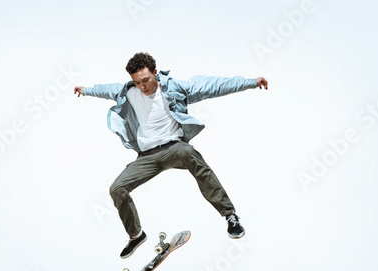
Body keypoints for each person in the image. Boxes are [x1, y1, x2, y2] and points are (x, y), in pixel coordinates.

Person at [74, 52, 268, 259]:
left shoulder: (175, 88)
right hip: (147, 157)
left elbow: (213, 86)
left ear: (155, 73)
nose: (143, 87)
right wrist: (85, 90)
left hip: (174, 150)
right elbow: (105, 89)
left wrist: (251, 82)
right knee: (116, 188)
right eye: (137, 82)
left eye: (146, 80)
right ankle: (136, 235)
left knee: (189, 153)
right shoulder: (128, 92)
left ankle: (230, 216)